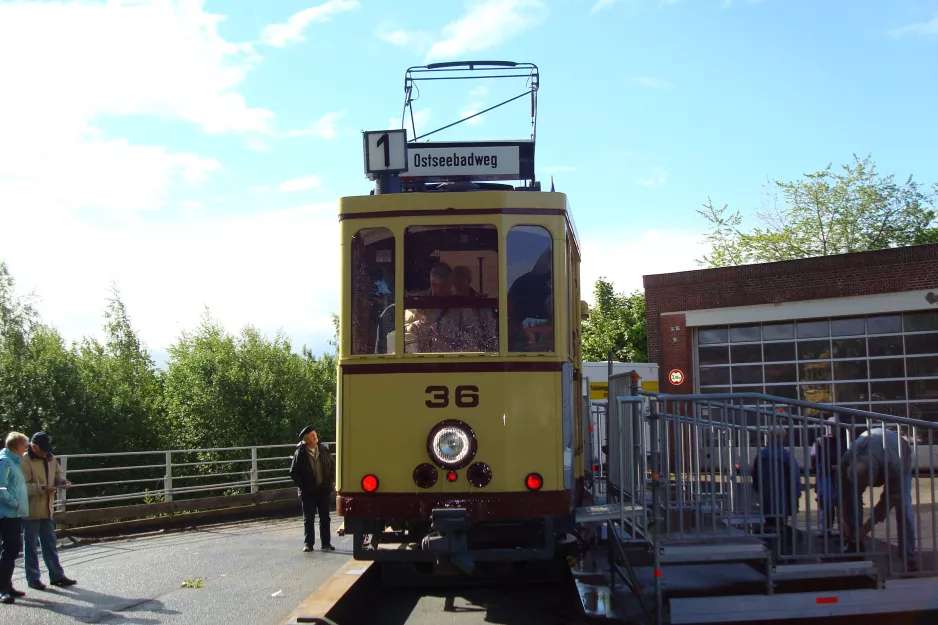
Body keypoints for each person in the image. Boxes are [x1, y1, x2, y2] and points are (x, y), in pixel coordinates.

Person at [839, 427, 916, 571]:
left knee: (903, 506)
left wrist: (866, 528)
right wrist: (842, 517)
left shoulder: (895, 464)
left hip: (899, 451)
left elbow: (890, 499)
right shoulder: (849, 456)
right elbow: (843, 490)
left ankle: (908, 555)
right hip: (873, 442)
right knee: (851, 495)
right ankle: (853, 541)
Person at [21, 432, 76, 589]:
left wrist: (62, 481)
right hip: (30, 510)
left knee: (50, 544)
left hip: (47, 509)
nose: (46, 453)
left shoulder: (50, 458)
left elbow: (58, 474)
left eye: (47, 449)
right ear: (33, 447)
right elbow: (22, 486)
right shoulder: (24, 461)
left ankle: (56, 575)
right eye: (43, 450)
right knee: (30, 545)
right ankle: (33, 578)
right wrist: (42, 488)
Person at [751, 427, 802, 559]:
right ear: (782, 438)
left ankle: (769, 554)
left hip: (767, 499)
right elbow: (794, 478)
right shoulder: (786, 456)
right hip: (783, 500)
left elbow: (755, 478)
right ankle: (780, 554)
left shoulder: (761, 456)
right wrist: (796, 496)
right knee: (781, 528)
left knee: (769, 526)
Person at [289, 427, 335, 552]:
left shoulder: (324, 450)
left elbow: (332, 466)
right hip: (308, 492)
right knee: (309, 518)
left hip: (323, 489)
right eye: (312, 435)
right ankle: (309, 544)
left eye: (315, 434)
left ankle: (326, 543)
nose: (315, 437)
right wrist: (303, 486)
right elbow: (294, 473)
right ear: (306, 440)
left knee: (325, 517)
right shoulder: (300, 453)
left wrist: (329, 481)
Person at [0, 432, 30, 604]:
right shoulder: (5, 462)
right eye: (24, 446)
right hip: (7, 513)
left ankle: (7, 585)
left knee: (12, 550)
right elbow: (1, 488)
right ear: (18, 446)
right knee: (9, 550)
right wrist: (15, 504)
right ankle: (2, 588)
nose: (26, 449)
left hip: (13, 513)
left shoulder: (13, 461)